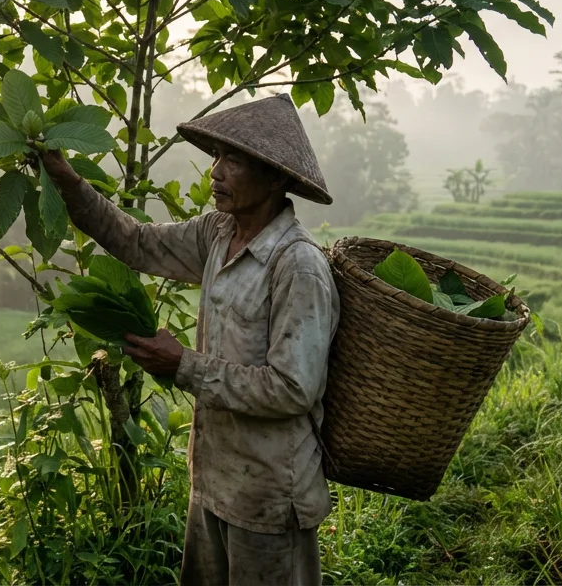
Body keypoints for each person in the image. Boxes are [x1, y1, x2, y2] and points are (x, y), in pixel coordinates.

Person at [40, 93, 340, 586]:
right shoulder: (217, 233)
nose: (215, 172)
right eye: (217, 158)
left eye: (234, 161)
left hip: (267, 496)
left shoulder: (297, 265)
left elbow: (293, 387)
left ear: (276, 177)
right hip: (214, 482)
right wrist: (68, 183)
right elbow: (137, 243)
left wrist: (184, 365)